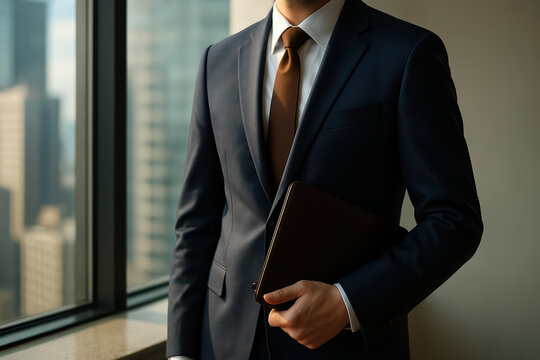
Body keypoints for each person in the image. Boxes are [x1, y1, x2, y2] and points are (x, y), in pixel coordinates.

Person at [166, 0, 483, 359]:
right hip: (222, 341)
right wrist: (180, 351)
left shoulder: (408, 52)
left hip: (346, 345)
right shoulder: (217, 60)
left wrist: (347, 301)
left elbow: (455, 219)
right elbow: (196, 223)